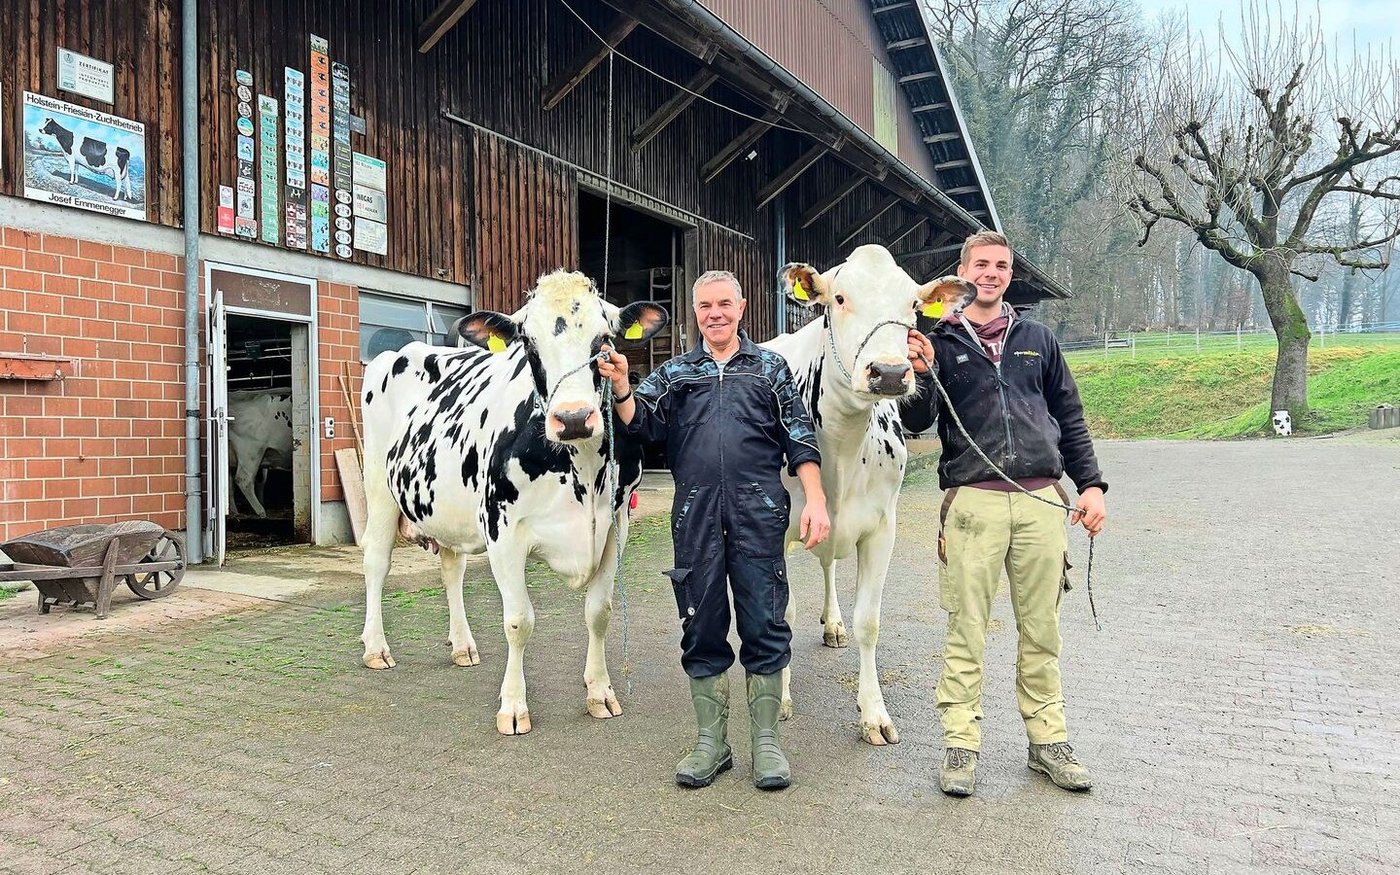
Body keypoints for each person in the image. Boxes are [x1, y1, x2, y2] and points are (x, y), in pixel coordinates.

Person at [599, 269, 831, 791]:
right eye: (705, 306)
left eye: (724, 303)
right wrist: (619, 387)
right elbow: (643, 424)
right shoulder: (677, 373)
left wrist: (815, 499)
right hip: (695, 514)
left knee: (765, 620)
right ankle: (712, 742)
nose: (715, 314)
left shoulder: (771, 370)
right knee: (700, 624)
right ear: (696, 312)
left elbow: (800, 436)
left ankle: (766, 742)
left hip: (759, 511)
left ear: (742, 307)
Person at [901, 231, 1107, 797]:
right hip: (972, 503)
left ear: (1009, 275)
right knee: (967, 629)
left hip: (1044, 502)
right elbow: (917, 420)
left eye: (1001, 266)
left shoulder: (1038, 339)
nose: (990, 273)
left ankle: (1048, 742)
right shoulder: (938, 341)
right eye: (981, 265)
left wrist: (1090, 486)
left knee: (1042, 629)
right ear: (962, 274)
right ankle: (961, 746)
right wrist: (917, 371)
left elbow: (1069, 413)